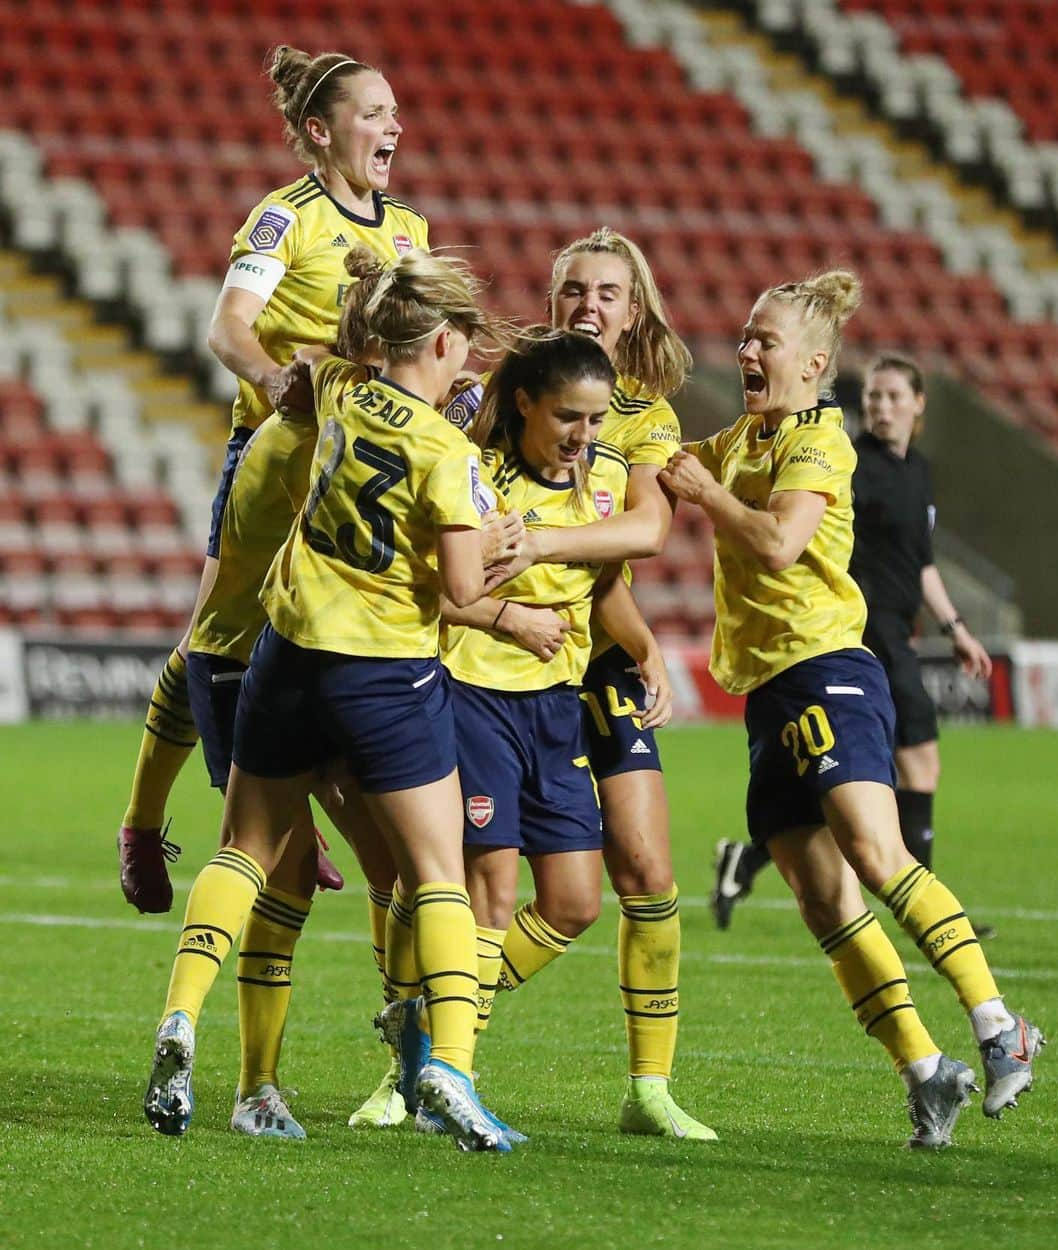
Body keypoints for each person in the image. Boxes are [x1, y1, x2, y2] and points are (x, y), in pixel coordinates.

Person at [142, 245, 520, 1152]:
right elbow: (462, 592)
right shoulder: (447, 452)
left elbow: (328, 353)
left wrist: (366, 288)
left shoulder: (342, 389)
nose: (470, 357)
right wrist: (505, 564)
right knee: (437, 873)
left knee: (244, 851)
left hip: (285, 657)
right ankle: (448, 1071)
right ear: (436, 339)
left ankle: (181, 1019)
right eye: (463, 341)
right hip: (385, 674)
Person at [658, 270, 1042, 1147]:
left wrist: (708, 496)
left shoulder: (819, 444)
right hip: (769, 690)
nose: (747, 350)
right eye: (746, 337)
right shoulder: (751, 436)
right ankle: (925, 1069)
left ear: (816, 361)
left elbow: (783, 544)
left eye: (766, 340)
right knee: (822, 897)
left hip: (826, 668)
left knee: (876, 852)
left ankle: (997, 1025)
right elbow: (670, 462)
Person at [396, 227, 714, 1140]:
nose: (588, 304)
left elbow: (638, 540)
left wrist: (636, 637)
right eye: (573, 288)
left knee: (636, 871)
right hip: (494, 661)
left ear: (636, 306)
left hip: (589, 651)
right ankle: (424, 1063)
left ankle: (644, 1085)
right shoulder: (497, 401)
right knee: (461, 877)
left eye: (608, 292)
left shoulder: (641, 418)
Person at [117, 44, 426, 916]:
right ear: (321, 132)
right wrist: (275, 376)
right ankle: (147, 821)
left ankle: (306, 802)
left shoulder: (409, 231)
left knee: (330, 643)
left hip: (364, 463)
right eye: (374, 112)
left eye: (396, 111)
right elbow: (227, 328)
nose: (393, 125)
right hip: (275, 458)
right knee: (217, 638)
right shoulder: (283, 219)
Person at [439, 332, 673, 1132]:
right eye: (569, 417)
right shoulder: (480, 479)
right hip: (476, 693)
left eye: (598, 419)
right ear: (528, 405)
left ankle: (432, 1018)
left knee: (574, 902)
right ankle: (451, 1078)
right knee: (492, 895)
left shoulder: (603, 478)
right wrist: (509, 621)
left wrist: (644, 650)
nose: (584, 434)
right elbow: (436, 592)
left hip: (555, 704)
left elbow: (605, 582)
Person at [710, 354, 996, 936]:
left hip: (896, 630)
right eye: (873, 397)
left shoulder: (918, 472)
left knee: (851, 777)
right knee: (910, 764)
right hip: (852, 633)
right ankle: (921, 903)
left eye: (893, 396)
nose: (880, 407)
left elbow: (922, 564)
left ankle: (749, 859)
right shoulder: (846, 460)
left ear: (919, 404)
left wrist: (955, 627)